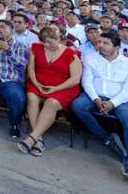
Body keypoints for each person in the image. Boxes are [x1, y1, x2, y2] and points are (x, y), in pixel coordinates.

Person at [71, 31, 128, 183]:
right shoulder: (91, 58)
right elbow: (87, 81)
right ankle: (107, 138)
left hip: (121, 100)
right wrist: (96, 99)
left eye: (105, 43)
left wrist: (112, 103)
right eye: (99, 42)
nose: (100, 45)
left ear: (116, 47)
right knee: (78, 105)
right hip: (95, 96)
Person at [19, 27, 82, 157]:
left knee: (51, 102)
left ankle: (31, 138)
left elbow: (75, 79)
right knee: (31, 97)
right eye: (44, 43)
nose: (47, 45)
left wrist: (56, 88)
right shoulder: (36, 48)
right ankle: (39, 139)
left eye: (50, 42)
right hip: (39, 83)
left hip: (64, 87)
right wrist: (36, 83)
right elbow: (31, 70)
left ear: (58, 39)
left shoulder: (71, 53)